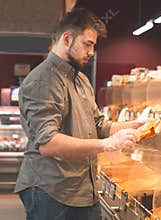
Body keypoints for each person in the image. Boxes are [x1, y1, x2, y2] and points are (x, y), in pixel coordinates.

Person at [15, 8, 142, 220]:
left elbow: (99, 125)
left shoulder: (80, 79)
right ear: (67, 38)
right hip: (51, 191)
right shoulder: (42, 81)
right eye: (87, 44)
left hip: (83, 189)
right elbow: (48, 143)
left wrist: (134, 126)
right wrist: (106, 144)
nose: (91, 52)